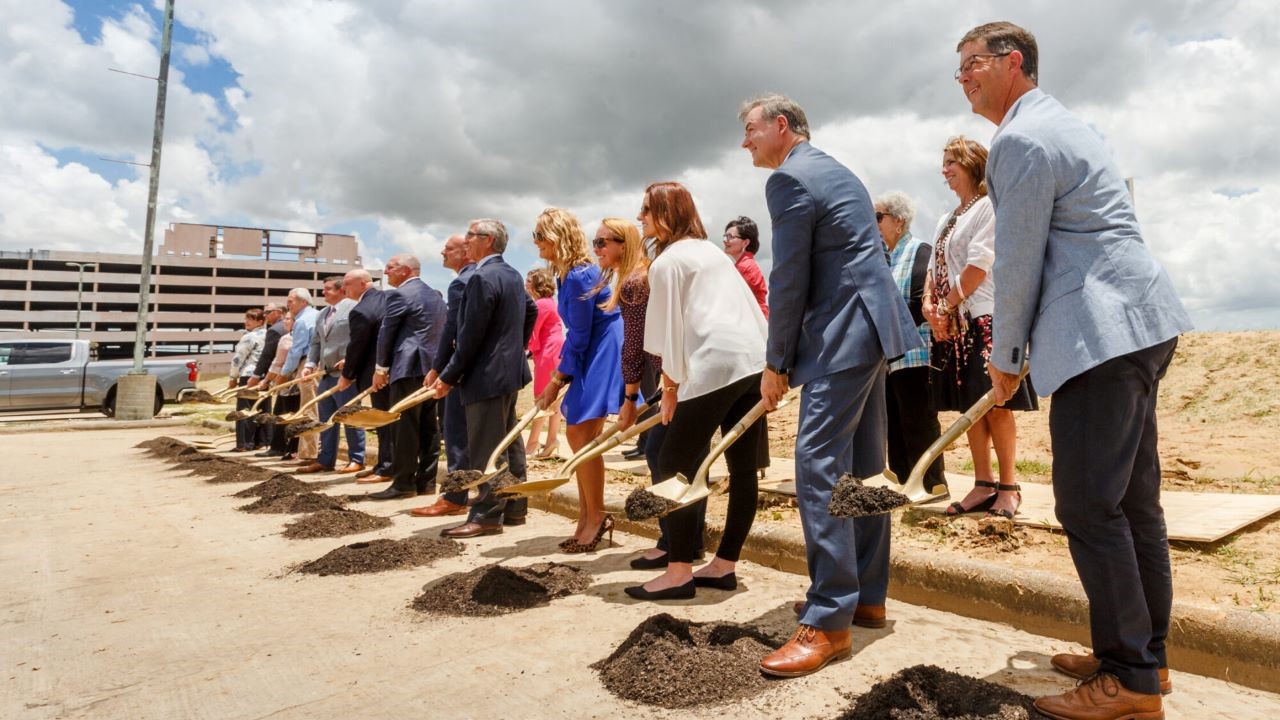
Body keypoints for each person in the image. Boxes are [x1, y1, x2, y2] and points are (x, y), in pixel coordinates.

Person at [956, 22, 1192, 719]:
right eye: (959, 67)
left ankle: (1128, 680)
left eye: (973, 63)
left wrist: (1004, 360)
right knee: (1132, 501)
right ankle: (1146, 655)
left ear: (1013, 63)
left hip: (1099, 331)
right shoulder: (1069, 124)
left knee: (1089, 504)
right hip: (1141, 321)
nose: (963, 77)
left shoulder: (1021, 140)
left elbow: (1017, 259)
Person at [740, 94, 922, 677]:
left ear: (781, 127)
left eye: (750, 130)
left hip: (842, 334)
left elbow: (790, 275)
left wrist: (777, 362)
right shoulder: (833, 168)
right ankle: (865, 596)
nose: (745, 142)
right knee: (862, 468)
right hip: (871, 327)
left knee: (818, 465)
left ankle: (827, 621)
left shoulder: (790, 180)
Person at [623, 182, 769, 601]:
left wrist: (670, 387)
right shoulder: (713, 254)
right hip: (752, 361)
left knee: (674, 462)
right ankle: (724, 565)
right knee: (743, 469)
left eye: (647, 211)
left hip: (713, 364)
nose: (640, 218)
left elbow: (669, 331)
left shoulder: (669, 261)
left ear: (667, 213)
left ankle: (679, 571)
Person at [923, 137, 1037, 519]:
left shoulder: (989, 207)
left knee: (996, 404)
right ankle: (982, 483)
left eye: (951, 161)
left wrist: (944, 304)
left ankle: (1008, 486)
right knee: (968, 408)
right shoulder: (946, 217)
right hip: (954, 323)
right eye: (943, 163)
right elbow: (932, 270)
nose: (944, 170)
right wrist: (929, 306)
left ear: (973, 164)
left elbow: (979, 266)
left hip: (984, 316)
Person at [594, 216, 706, 570]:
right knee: (686, 459)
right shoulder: (646, 274)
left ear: (623, 245)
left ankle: (673, 541)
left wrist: (629, 401)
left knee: (662, 456)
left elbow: (634, 347)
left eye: (602, 243)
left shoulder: (634, 283)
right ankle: (688, 541)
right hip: (686, 372)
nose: (596, 250)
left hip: (677, 376)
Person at [429, 219, 538, 538]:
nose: (466, 241)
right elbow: (530, 312)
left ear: (487, 240)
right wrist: (515, 347)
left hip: (486, 375)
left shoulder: (480, 277)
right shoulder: (512, 274)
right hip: (508, 372)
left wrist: (449, 375)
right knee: (509, 440)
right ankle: (515, 507)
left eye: (470, 236)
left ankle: (487, 515)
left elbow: (469, 337)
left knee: (487, 447)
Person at [533, 207, 624, 552]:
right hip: (593, 348)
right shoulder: (567, 274)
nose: (536, 242)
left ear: (558, 237)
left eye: (540, 235)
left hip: (603, 349)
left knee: (580, 434)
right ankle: (588, 517)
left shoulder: (579, 276)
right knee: (581, 436)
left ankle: (595, 517)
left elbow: (581, 334)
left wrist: (557, 379)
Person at [874, 192, 946, 492]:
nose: (873, 223)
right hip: (888, 357)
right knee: (894, 423)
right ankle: (904, 483)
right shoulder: (883, 257)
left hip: (914, 354)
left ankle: (931, 485)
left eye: (878, 217)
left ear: (899, 222)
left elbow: (919, 303)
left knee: (918, 421)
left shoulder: (919, 251)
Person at [369, 254, 446, 500]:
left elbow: (386, 333)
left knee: (403, 426)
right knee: (428, 426)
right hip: (432, 369)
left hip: (408, 367)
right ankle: (426, 482)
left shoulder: (399, 295)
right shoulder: (435, 295)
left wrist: (380, 370)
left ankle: (403, 483)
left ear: (405, 270)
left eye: (390, 267)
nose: (385, 271)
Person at [414, 235, 473, 518]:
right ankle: (510, 503)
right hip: (492, 371)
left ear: (467, 251)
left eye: (448, 248)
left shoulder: (463, 282)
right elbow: (529, 308)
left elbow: (455, 331)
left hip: (463, 371)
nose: (442, 252)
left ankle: (454, 497)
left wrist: (440, 369)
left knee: (456, 436)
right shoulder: (501, 277)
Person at [299, 276, 364, 474]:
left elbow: (360, 338)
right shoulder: (322, 314)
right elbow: (316, 343)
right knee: (326, 419)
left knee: (350, 416)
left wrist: (351, 360)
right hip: (326, 374)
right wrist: (310, 364)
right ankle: (325, 460)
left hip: (346, 374)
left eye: (327, 289)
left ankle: (357, 458)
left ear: (341, 290)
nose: (323, 293)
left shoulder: (354, 308)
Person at [338, 269, 393, 484]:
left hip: (376, 375)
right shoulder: (389, 298)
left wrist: (347, 374)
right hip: (393, 368)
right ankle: (383, 463)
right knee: (389, 420)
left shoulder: (361, 310)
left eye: (348, 284)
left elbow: (357, 346)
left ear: (363, 284)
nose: (344, 289)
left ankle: (387, 467)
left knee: (383, 421)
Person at [260, 311, 313, 461]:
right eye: (286, 318)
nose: (286, 321)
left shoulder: (288, 339)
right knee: (292, 415)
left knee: (289, 416)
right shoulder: (292, 337)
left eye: (289, 319)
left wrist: (270, 381)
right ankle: (288, 448)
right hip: (294, 382)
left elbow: (278, 363)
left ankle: (287, 449)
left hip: (291, 382)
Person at [524, 267, 564, 459]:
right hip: (555, 351)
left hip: (548, 352)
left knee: (541, 399)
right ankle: (551, 441)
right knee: (554, 400)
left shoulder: (540, 305)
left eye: (528, 281)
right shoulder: (550, 303)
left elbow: (532, 332)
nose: (525, 284)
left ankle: (532, 444)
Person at [280, 288, 319, 465]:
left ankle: (309, 453)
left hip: (308, 364)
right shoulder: (317, 314)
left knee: (309, 408)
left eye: (291, 301)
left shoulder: (303, 321)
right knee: (317, 408)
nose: (288, 304)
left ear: (303, 302)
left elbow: (296, 351)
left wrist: (285, 373)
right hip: (317, 363)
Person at [228, 308, 267, 452]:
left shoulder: (248, 337)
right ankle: (261, 441)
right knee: (261, 409)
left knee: (245, 410)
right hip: (264, 376)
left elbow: (238, 359)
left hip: (248, 375)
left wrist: (233, 377)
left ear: (260, 321)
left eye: (251, 319)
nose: (247, 322)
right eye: (247, 319)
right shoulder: (269, 335)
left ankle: (244, 443)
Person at [253, 303, 288, 458]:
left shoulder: (275, 330)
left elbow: (268, 356)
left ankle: (278, 446)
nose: (264, 315)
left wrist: (258, 376)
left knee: (281, 410)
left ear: (278, 313)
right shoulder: (284, 328)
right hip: (290, 374)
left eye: (267, 312)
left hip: (283, 375)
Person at [722, 216, 769, 318]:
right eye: (725, 236)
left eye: (730, 236)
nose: (725, 240)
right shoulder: (746, 264)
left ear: (745, 242)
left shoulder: (744, 267)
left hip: (754, 323)